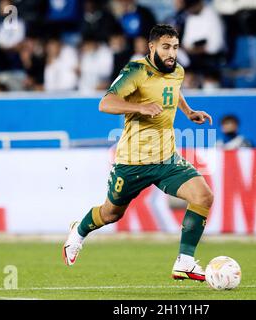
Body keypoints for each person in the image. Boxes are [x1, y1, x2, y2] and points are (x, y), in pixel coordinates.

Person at [63, 24, 214, 282]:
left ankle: (185, 261)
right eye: (166, 47)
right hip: (132, 161)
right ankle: (79, 231)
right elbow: (105, 103)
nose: (171, 53)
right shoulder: (135, 71)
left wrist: (188, 112)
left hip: (166, 158)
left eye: (175, 47)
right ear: (152, 46)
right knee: (111, 213)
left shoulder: (177, 70)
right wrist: (140, 107)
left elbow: (173, 91)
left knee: (203, 196)